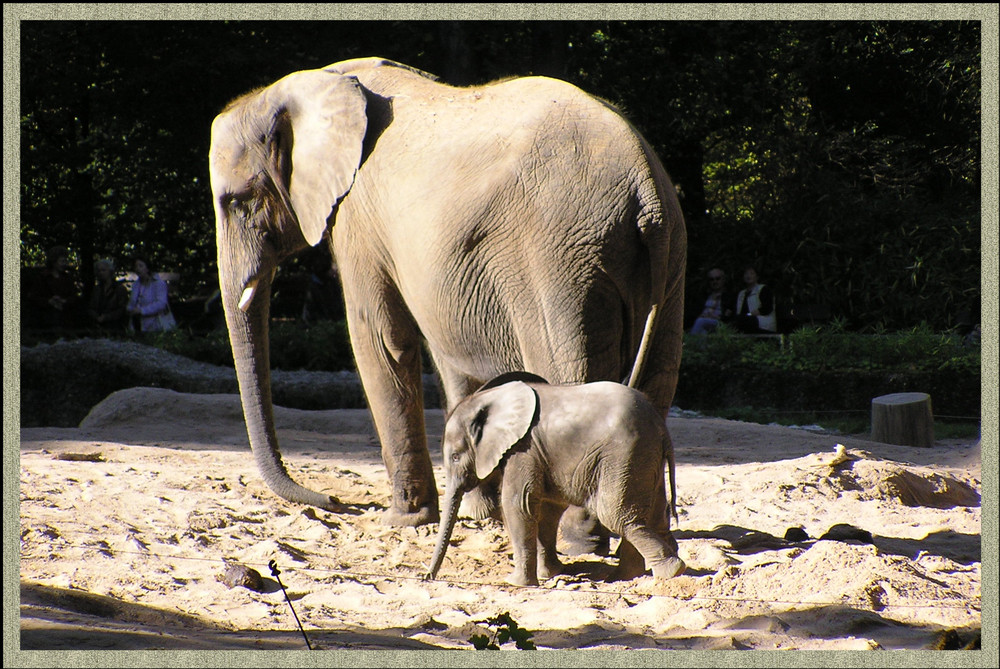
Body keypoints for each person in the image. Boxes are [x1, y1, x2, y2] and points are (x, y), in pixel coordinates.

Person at [24, 245, 80, 330]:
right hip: (45, 316)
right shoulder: (42, 278)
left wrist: (64, 301)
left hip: (66, 316)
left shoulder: (68, 278)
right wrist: (49, 301)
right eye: (62, 261)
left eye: (65, 261)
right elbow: (33, 297)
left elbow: (74, 296)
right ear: (54, 262)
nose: (64, 264)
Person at [127, 258, 177, 334]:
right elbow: (132, 302)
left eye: (140, 266)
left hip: (157, 325)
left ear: (147, 268)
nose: (137, 269)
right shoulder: (136, 285)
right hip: (138, 324)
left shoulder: (158, 284)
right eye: (136, 266)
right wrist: (130, 309)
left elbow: (161, 303)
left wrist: (142, 310)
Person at [87, 258, 129, 332]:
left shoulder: (119, 289)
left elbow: (122, 309)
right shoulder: (97, 289)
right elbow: (91, 307)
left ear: (110, 271)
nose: (101, 273)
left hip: (116, 327)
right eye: (99, 271)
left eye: (103, 270)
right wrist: (96, 317)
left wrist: (107, 317)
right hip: (98, 326)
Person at [690, 268, 736, 335]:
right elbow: (695, 312)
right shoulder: (704, 296)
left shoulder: (729, 297)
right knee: (703, 332)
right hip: (703, 320)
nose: (715, 281)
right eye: (712, 279)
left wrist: (718, 317)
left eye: (717, 278)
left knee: (700, 321)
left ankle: (690, 344)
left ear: (723, 280)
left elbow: (730, 315)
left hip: (719, 322)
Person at [733, 265, 777, 334]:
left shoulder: (763, 289)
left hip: (762, 323)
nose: (748, 276)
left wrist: (749, 315)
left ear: (757, 277)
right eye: (746, 274)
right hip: (744, 320)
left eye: (751, 273)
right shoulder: (741, 294)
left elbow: (767, 309)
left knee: (746, 320)